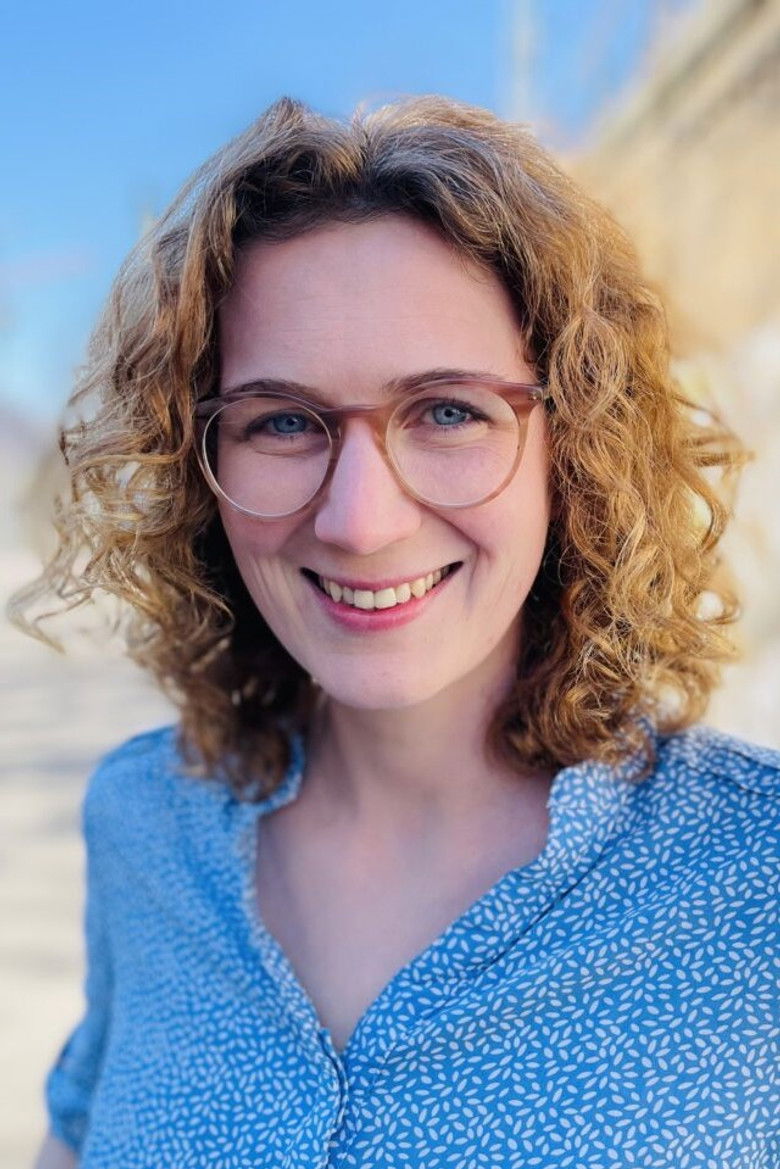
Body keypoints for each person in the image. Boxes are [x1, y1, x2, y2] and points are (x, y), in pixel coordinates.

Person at [14, 95, 778, 1169]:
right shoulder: (145, 821)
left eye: (449, 410)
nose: (360, 521)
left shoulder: (754, 879)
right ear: (200, 468)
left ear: (574, 446)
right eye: (284, 421)